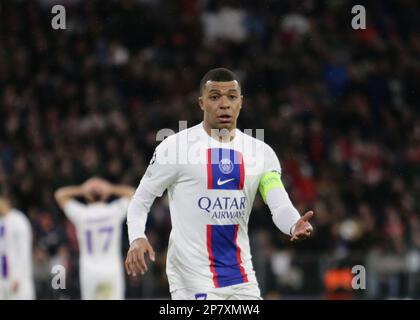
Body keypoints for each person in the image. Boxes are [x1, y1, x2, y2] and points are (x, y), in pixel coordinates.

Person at [125, 68, 314, 300]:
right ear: (201, 103)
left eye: (232, 97)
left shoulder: (261, 153)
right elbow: (140, 200)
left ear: (241, 102)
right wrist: (137, 237)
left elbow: (279, 205)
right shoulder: (174, 148)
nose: (224, 104)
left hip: (241, 276)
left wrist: (294, 224)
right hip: (191, 278)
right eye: (215, 97)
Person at [55, 177, 134, 300]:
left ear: (87, 197)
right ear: (105, 195)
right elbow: (132, 193)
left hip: (89, 271)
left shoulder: (81, 214)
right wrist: (110, 188)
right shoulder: (113, 211)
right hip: (111, 269)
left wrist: (82, 189)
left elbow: (60, 195)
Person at [0, 196, 35, 300]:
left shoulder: (18, 220)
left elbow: (24, 251)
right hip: (3, 277)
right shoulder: (1, 221)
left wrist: (18, 277)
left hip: (18, 278)